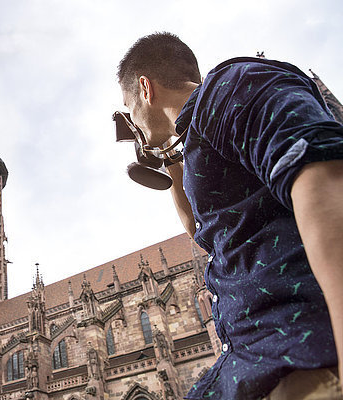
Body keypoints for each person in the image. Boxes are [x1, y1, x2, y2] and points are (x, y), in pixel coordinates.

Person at [116, 32, 343, 399]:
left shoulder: (229, 86)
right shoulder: (198, 137)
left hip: (301, 351)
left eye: (129, 109)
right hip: (249, 361)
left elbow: (320, 174)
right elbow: (199, 230)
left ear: (145, 89)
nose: (131, 123)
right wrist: (168, 153)